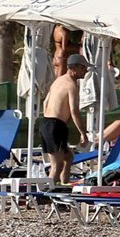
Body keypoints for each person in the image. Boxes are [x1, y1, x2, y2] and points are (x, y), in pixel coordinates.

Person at [41, 54, 89, 183]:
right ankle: (47, 194)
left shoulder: (58, 81)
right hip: (54, 125)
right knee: (57, 164)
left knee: (68, 157)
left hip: (48, 123)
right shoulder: (71, 85)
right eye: (84, 68)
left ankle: (63, 185)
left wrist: (52, 119)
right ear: (74, 68)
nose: (86, 71)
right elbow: (74, 111)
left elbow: (45, 102)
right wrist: (83, 133)